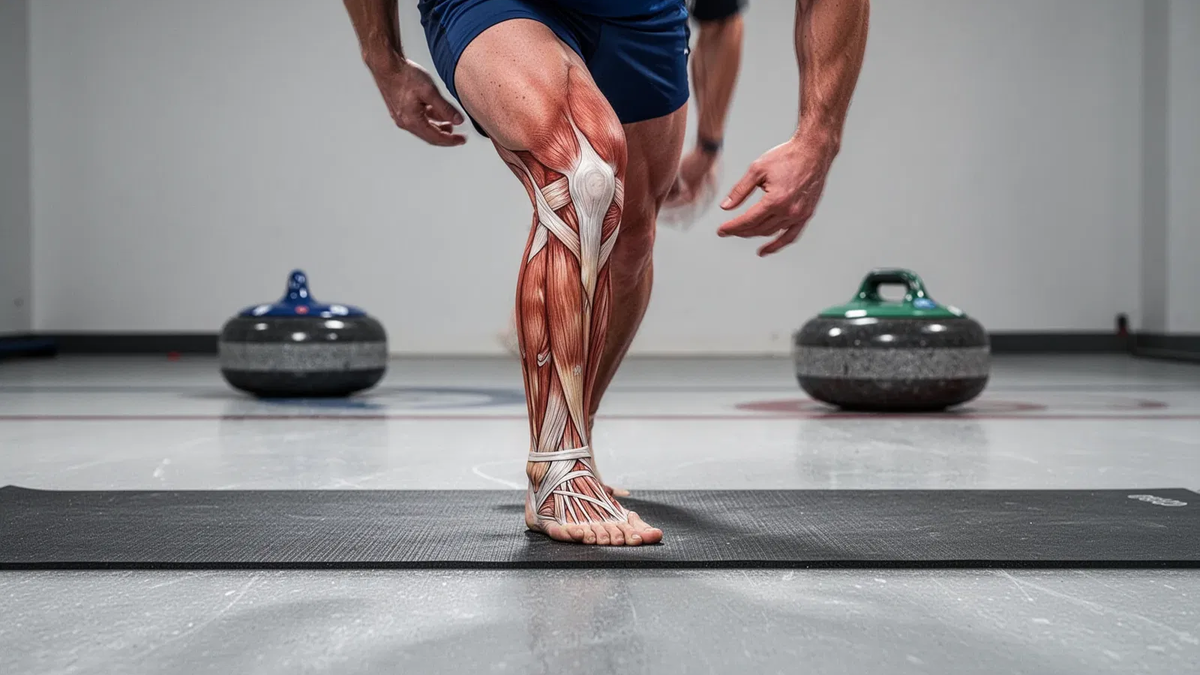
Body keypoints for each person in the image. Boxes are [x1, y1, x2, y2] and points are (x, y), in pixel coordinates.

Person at [343, 0, 870, 546]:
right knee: (581, 175)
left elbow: (726, 19)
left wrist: (814, 138)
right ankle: (558, 464)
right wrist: (384, 61)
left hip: (639, 14)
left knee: (632, 238)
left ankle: (576, 432)